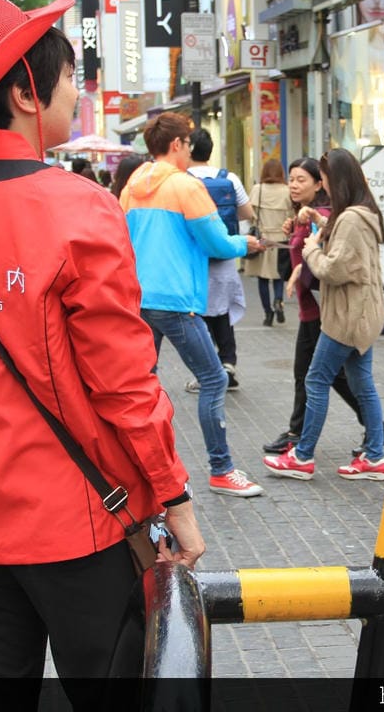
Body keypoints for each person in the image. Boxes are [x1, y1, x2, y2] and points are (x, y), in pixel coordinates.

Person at [0, 0, 205, 706]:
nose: (74, 94)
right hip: (78, 521)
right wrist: (173, 496)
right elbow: (124, 381)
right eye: (68, 80)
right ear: (27, 91)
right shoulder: (79, 208)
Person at [120, 112, 265, 498]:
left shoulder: (133, 184)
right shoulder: (185, 186)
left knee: (141, 384)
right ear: (177, 145)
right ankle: (221, 469)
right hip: (176, 299)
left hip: (138, 297)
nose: (188, 149)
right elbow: (216, 242)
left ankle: (138, 467)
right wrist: (244, 245)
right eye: (186, 142)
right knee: (214, 378)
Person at [263, 148, 384, 481]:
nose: (325, 185)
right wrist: (319, 222)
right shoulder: (360, 213)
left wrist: (311, 251)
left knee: (316, 379)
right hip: (362, 311)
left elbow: (335, 269)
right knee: (362, 384)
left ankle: (302, 456)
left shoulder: (350, 218)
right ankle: (374, 455)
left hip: (348, 314)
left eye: (326, 178)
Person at [183, 130, 253, 390]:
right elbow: (247, 213)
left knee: (198, 314)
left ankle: (208, 371)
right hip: (224, 255)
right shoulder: (229, 178)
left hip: (194, 257)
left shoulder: (182, 180)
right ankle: (227, 362)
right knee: (222, 311)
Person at [247, 158, 293, 326]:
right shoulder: (287, 191)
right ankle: (279, 301)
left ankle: (268, 313)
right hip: (281, 238)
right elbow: (292, 215)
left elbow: (251, 215)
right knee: (279, 275)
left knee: (263, 278)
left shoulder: (257, 190)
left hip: (263, 240)